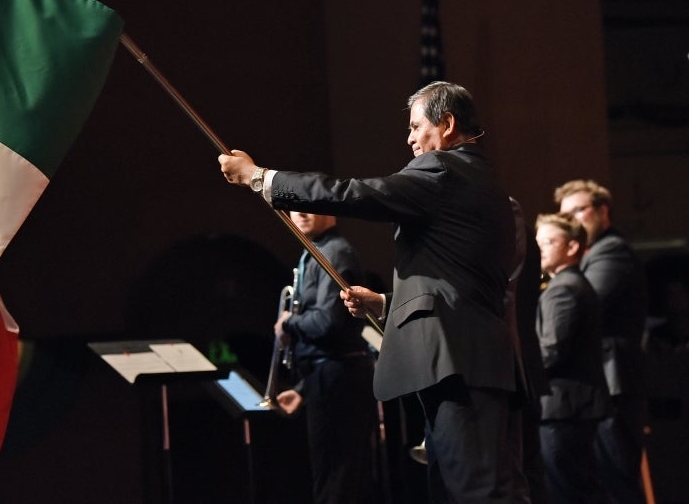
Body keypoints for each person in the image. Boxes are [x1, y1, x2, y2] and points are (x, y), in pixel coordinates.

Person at [219, 81, 520, 503]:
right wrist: (385, 304)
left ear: (447, 124)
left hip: (458, 361)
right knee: (461, 490)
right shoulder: (481, 178)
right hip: (474, 358)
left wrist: (259, 178)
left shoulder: (444, 170)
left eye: (416, 127)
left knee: (476, 492)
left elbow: (356, 193)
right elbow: (460, 283)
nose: (410, 138)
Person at [554, 179, 647, 504]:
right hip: (602, 385)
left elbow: (582, 306)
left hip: (615, 382)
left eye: (579, 210)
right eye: (566, 214)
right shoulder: (591, 255)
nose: (573, 220)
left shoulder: (612, 252)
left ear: (602, 211)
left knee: (617, 480)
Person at [273, 211, 376, 504]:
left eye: (309, 204)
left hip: (339, 381)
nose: (300, 213)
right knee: (332, 477)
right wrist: (304, 390)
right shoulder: (315, 251)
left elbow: (327, 323)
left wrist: (287, 323)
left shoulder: (334, 252)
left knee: (337, 482)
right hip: (324, 378)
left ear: (330, 211)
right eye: (294, 206)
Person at [534, 213, 611, 503]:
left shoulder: (562, 289)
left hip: (563, 407)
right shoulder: (574, 283)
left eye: (549, 241)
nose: (540, 249)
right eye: (538, 242)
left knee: (567, 491)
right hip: (575, 406)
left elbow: (550, 352)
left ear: (572, 247)